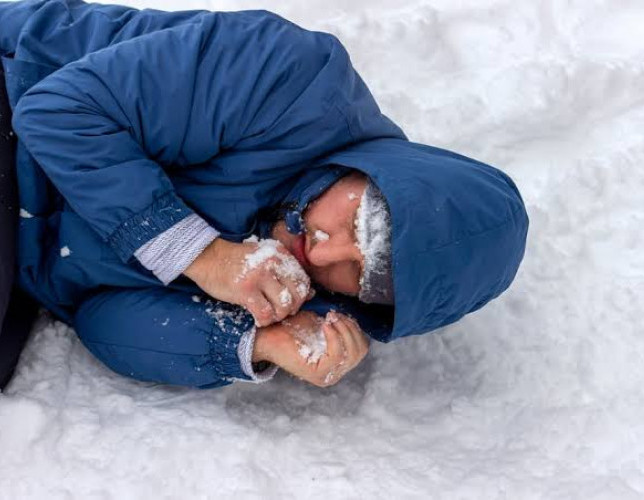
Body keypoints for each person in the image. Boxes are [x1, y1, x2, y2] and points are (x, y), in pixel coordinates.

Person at [0, 0, 529, 390]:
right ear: (382, 176)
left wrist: (251, 341)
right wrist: (200, 255)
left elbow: (100, 319)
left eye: (366, 275)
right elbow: (59, 112)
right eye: (365, 225)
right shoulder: (290, 78)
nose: (324, 251)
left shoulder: (299, 289)